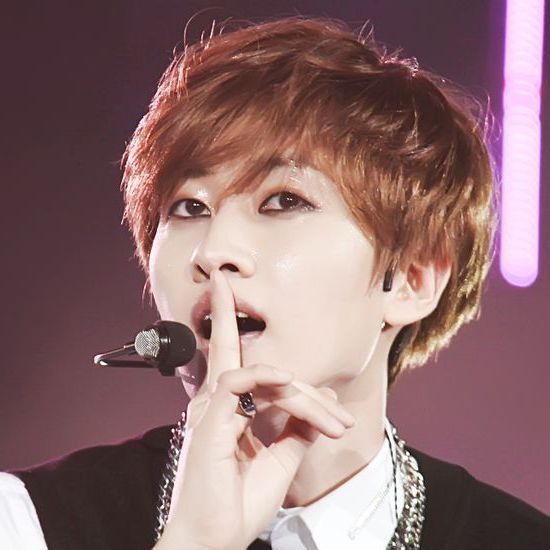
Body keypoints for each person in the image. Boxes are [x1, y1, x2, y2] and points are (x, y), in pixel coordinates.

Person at [2, 15, 549, 550]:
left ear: (411, 280)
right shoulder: (27, 522)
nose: (214, 252)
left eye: (284, 201)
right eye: (189, 207)